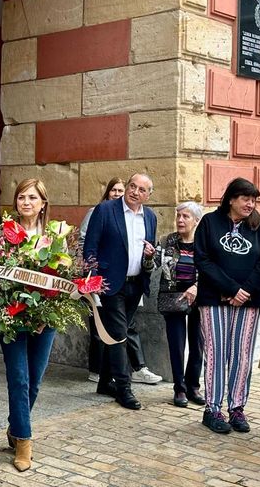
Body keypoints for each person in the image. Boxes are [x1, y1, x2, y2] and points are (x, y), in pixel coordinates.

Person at [194, 177, 260, 434]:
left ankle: (237, 407)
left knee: (242, 354)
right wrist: (231, 289)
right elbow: (203, 260)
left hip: (249, 300)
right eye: (245, 199)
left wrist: (245, 291)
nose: (250, 204)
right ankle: (213, 409)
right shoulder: (210, 222)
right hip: (213, 298)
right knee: (216, 352)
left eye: (253, 200)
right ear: (231, 199)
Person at [83, 173, 158, 410]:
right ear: (126, 187)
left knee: (117, 332)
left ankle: (105, 382)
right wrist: (94, 278)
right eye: (132, 186)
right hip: (109, 284)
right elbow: (90, 247)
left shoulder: (150, 216)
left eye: (141, 190)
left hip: (136, 284)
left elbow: (150, 253)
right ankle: (124, 388)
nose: (135, 192)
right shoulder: (105, 210)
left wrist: (150, 255)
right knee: (118, 335)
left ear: (148, 195)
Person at [0, 178, 61, 472]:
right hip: (12, 317)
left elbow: (63, 280)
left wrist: (44, 314)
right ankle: (24, 440)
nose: (26, 202)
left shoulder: (55, 237)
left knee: (34, 380)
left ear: (43, 203)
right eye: (21, 197)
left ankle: (15, 426)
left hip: (44, 320)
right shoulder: (3, 234)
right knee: (19, 378)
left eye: (32, 197)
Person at [155, 202, 205, 408]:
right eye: (178, 216)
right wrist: (148, 256)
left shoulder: (205, 243)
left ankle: (193, 386)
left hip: (199, 297)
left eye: (186, 216)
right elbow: (151, 266)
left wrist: (197, 287)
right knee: (176, 345)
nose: (180, 220)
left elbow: (212, 270)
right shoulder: (167, 241)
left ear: (196, 221)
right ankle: (179, 388)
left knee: (198, 344)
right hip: (173, 297)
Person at [79, 177, 125, 383]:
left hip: (118, 279)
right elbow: (84, 240)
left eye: (121, 191)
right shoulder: (97, 211)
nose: (117, 194)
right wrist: (90, 269)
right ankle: (96, 370)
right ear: (107, 192)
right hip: (96, 275)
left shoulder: (126, 215)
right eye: (114, 190)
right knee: (97, 322)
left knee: (118, 326)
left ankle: (111, 372)